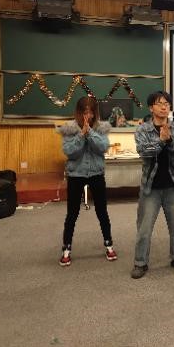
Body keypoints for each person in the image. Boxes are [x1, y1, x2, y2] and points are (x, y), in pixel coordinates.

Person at [131, 91, 174, 279]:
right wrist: (161, 141)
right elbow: (144, 151)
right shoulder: (143, 129)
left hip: (172, 185)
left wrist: (170, 140)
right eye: (160, 103)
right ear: (151, 108)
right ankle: (140, 262)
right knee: (144, 228)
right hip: (151, 187)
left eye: (167, 103)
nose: (164, 107)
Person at [57, 96, 116, 266]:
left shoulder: (101, 128)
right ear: (79, 112)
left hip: (96, 173)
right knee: (72, 213)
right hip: (76, 175)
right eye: (84, 112)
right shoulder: (69, 129)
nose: (88, 116)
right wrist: (81, 135)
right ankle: (66, 248)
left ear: (95, 113)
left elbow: (102, 147)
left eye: (91, 112)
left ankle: (109, 244)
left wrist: (89, 132)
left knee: (102, 211)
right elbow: (70, 151)